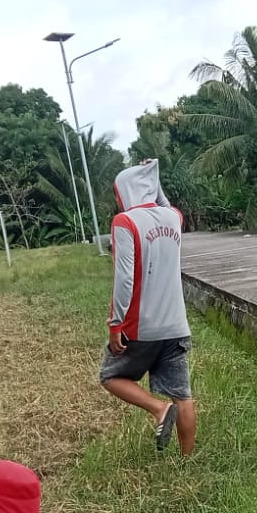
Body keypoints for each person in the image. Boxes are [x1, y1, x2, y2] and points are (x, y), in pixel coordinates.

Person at [100, 158, 196, 455]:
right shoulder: (173, 217)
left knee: (110, 376)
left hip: (141, 327)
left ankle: (158, 409)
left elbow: (124, 278)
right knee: (183, 396)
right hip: (177, 326)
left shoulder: (125, 222)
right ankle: (187, 461)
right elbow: (163, 203)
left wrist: (116, 323)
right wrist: (154, 176)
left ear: (125, 190)